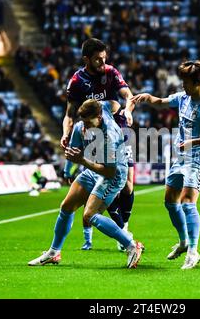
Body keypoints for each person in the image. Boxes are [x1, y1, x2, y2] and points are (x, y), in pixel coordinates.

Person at [131, 60, 200, 269]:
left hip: (197, 159)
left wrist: (194, 141)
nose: (183, 85)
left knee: (188, 202)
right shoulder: (183, 97)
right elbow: (163, 102)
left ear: (198, 82)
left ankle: (193, 251)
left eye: (186, 81)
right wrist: (148, 98)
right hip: (179, 157)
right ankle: (183, 241)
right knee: (170, 200)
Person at [28, 99, 144, 268]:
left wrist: (81, 160)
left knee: (90, 215)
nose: (86, 126)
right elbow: (73, 148)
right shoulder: (87, 120)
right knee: (66, 207)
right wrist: (68, 170)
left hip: (113, 174)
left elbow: (109, 172)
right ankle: (53, 252)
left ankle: (132, 245)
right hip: (93, 168)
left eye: (89, 122)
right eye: (83, 121)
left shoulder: (109, 135)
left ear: (99, 117)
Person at [61, 38, 136, 251]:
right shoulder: (77, 81)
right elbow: (69, 114)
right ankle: (122, 231)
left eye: (104, 58)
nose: (103, 63)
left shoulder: (111, 72)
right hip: (94, 136)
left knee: (128, 184)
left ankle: (125, 227)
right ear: (86, 59)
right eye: (97, 59)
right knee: (107, 179)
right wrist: (66, 133)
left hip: (119, 129)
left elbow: (128, 95)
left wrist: (128, 109)